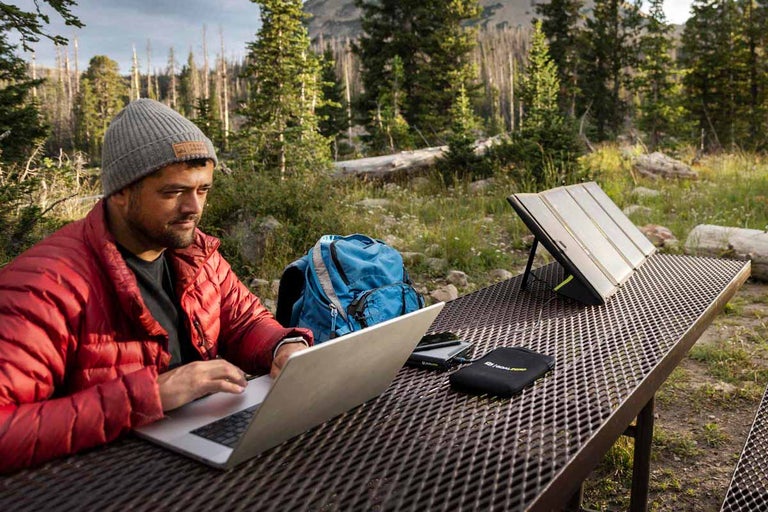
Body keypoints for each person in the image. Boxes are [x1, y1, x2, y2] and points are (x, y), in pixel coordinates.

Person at [0, 99, 313, 473]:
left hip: (197, 457)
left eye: (203, 190)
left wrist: (283, 347)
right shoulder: (45, 286)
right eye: (173, 192)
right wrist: (151, 396)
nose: (192, 207)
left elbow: (244, 322)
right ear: (120, 191)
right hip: (100, 478)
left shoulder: (196, 255)